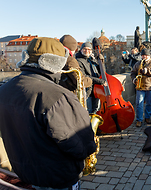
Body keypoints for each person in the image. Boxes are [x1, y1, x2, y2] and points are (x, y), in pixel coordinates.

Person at [0, 37, 96, 189]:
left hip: (24, 173)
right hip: (57, 177)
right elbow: (81, 145)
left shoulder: (4, 90)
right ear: (56, 62)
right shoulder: (57, 97)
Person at [131, 48, 151, 127]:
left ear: (149, 56)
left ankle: (147, 117)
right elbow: (133, 72)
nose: (144, 57)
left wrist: (147, 71)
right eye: (143, 55)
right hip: (140, 87)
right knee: (139, 104)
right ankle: (139, 119)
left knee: (149, 104)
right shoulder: (138, 63)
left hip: (150, 86)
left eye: (145, 55)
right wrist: (134, 79)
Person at [76, 42, 106, 114]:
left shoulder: (92, 59)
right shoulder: (78, 60)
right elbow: (85, 76)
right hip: (88, 89)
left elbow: (102, 72)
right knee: (88, 111)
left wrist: (101, 62)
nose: (87, 51)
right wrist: (100, 81)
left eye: (89, 49)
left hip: (97, 89)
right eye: (85, 49)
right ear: (81, 50)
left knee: (96, 109)